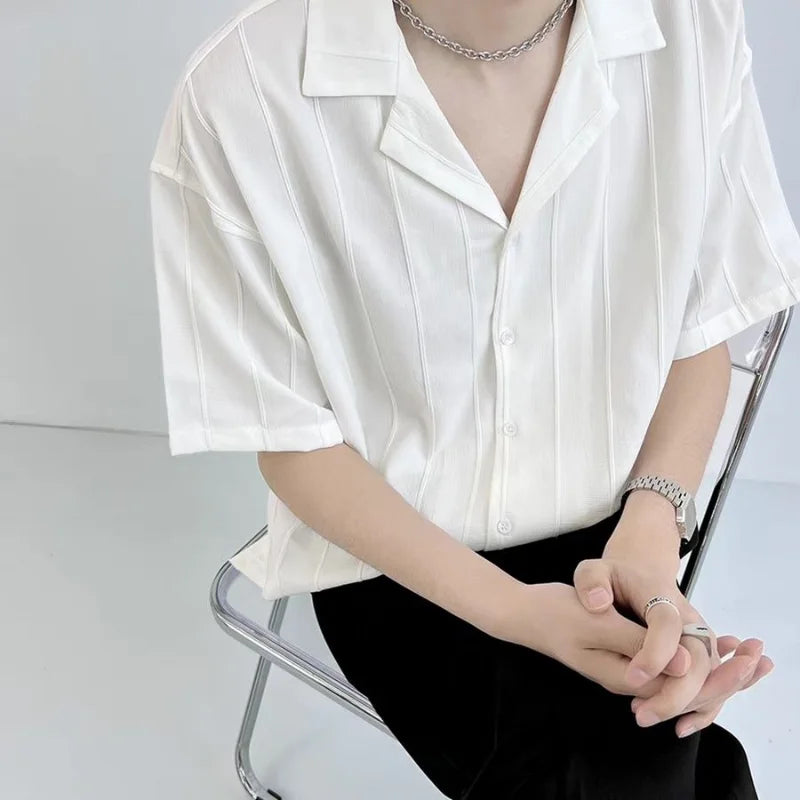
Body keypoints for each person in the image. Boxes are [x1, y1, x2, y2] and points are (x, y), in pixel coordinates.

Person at [147, 0, 800, 796]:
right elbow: (294, 443)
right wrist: (515, 613)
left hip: (618, 526)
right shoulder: (246, 90)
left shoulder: (691, 25)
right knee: (634, 761)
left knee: (650, 740)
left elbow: (698, 331)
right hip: (394, 557)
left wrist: (652, 545)